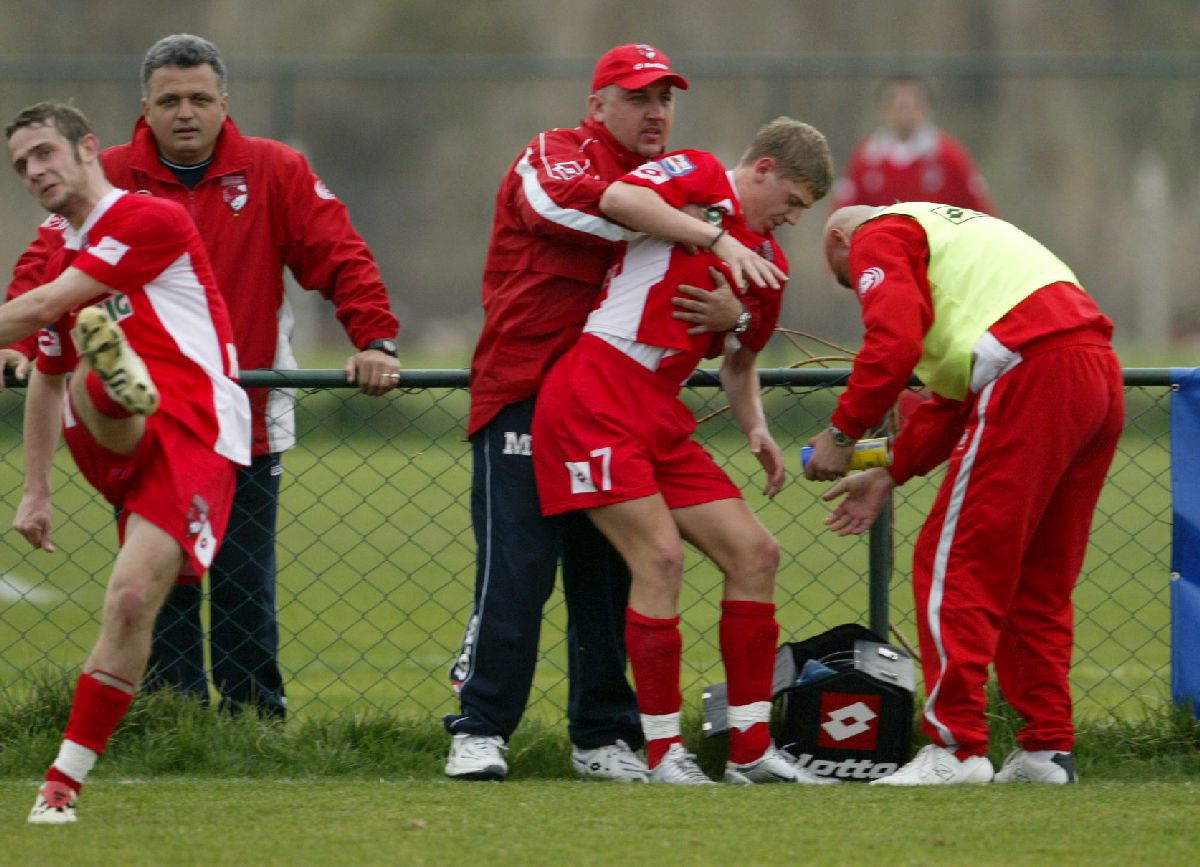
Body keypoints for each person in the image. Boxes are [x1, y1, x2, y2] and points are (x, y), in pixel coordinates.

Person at [5, 34, 401, 719]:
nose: (184, 112)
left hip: (245, 410)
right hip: (144, 421)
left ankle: (253, 720)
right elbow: (46, 266)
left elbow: (341, 256)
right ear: (145, 109)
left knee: (244, 576)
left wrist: (376, 339)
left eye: (198, 98)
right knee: (163, 578)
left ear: (225, 103)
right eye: (169, 101)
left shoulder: (277, 169)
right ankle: (173, 716)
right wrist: (14, 347)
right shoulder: (110, 177)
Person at [446, 43, 777, 782]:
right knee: (518, 570)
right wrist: (692, 224)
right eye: (637, 97)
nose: (655, 112)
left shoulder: (674, 192)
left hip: (610, 403)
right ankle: (479, 727)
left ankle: (603, 734)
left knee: (615, 572)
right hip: (525, 390)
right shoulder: (557, 154)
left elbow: (712, 292)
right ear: (597, 105)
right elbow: (573, 210)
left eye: (665, 99)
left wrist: (732, 306)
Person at [532, 117, 836, 785]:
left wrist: (754, 424)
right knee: (660, 557)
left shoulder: (769, 265)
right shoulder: (698, 177)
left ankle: (751, 750)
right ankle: (665, 751)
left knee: (756, 552)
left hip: (658, 412)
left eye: (802, 212)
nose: (790, 219)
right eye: (789, 201)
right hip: (595, 393)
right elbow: (616, 201)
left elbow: (739, 362)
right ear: (761, 170)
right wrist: (715, 235)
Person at [805, 202, 1124, 785]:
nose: (862, 290)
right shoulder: (956, 243)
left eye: (850, 279)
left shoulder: (877, 232)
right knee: (1038, 578)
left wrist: (842, 431)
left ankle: (956, 749)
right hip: (1094, 371)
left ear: (839, 238)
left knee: (953, 564)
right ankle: (1045, 752)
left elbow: (893, 342)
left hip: (1030, 372)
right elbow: (953, 402)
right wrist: (887, 472)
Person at [5, 102, 251, 823]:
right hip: (111, 430)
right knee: (79, 359)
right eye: (21, 165)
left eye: (45, 152)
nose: (35, 171)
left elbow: (41, 303)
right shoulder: (57, 248)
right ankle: (114, 382)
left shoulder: (151, 216)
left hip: (199, 429)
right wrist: (35, 491)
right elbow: (44, 378)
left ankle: (62, 782)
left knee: (132, 600)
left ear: (88, 148)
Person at [831, 75, 995, 214]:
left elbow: (980, 210)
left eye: (912, 104)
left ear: (927, 108)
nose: (904, 110)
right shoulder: (865, 158)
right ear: (883, 110)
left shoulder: (950, 156)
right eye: (896, 104)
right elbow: (843, 212)